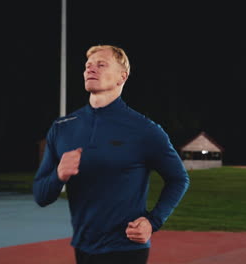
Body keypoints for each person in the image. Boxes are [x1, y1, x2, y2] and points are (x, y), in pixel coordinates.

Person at [33, 44, 189, 264]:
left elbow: (178, 178)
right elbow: (41, 195)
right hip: (83, 247)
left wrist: (152, 222)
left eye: (101, 64)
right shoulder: (62, 128)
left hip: (125, 249)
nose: (91, 69)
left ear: (122, 77)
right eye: (88, 65)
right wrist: (59, 175)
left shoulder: (145, 130)